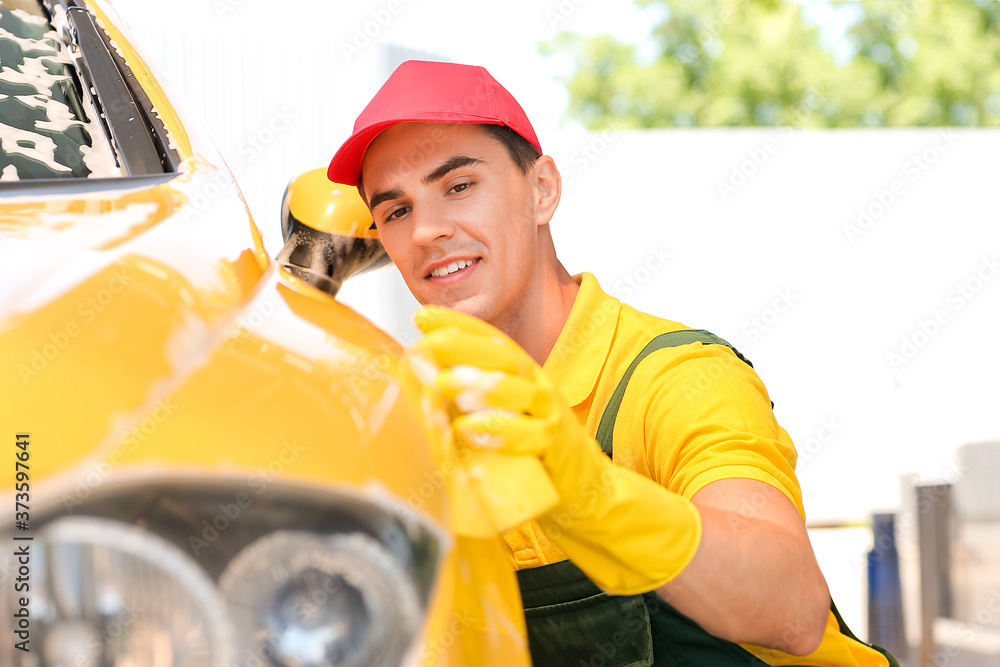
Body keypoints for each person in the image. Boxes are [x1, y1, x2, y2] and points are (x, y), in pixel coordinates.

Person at [327, 60, 893, 667]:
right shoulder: (424, 420)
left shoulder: (673, 379)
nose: (427, 232)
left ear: (542, 189)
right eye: (395, 211)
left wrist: (592, 498)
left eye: (459, 186)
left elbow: (793, 605)